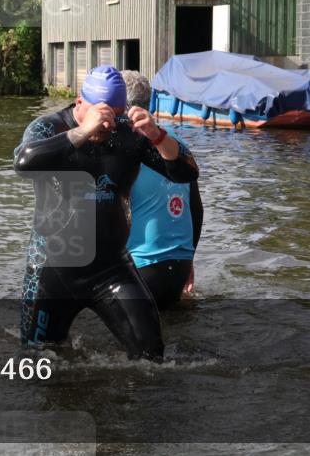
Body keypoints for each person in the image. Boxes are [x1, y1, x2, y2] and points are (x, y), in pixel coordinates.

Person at [13, 66, 199, 360]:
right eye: (100, 114)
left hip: (111, 268)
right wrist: (83, 131)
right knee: (38, 362)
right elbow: (23, 162)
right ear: (79, 104)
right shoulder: (49, 127)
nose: (106, 125)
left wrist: (157, 134)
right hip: (52, 269)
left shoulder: (128, 134)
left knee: (152, 357)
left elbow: (187, 173)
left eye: (114, 115)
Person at [121, 71, 203, 309]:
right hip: (179, 267)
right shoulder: (176, 146)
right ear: (151, 102)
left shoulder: (124, 150)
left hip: (141, 267)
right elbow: (196, 209)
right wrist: (189, 261)